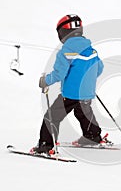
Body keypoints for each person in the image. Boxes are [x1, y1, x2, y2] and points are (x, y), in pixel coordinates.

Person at [32, 14, 105, 154]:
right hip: (87, 92)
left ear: (62, 33)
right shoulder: (91, 50)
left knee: (52, 116)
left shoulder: (65, 51)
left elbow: (59, 74)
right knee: (84, 112)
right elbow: (99, 68)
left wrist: (45, 81)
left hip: (71, 93)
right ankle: (93, 136)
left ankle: (45, 145)